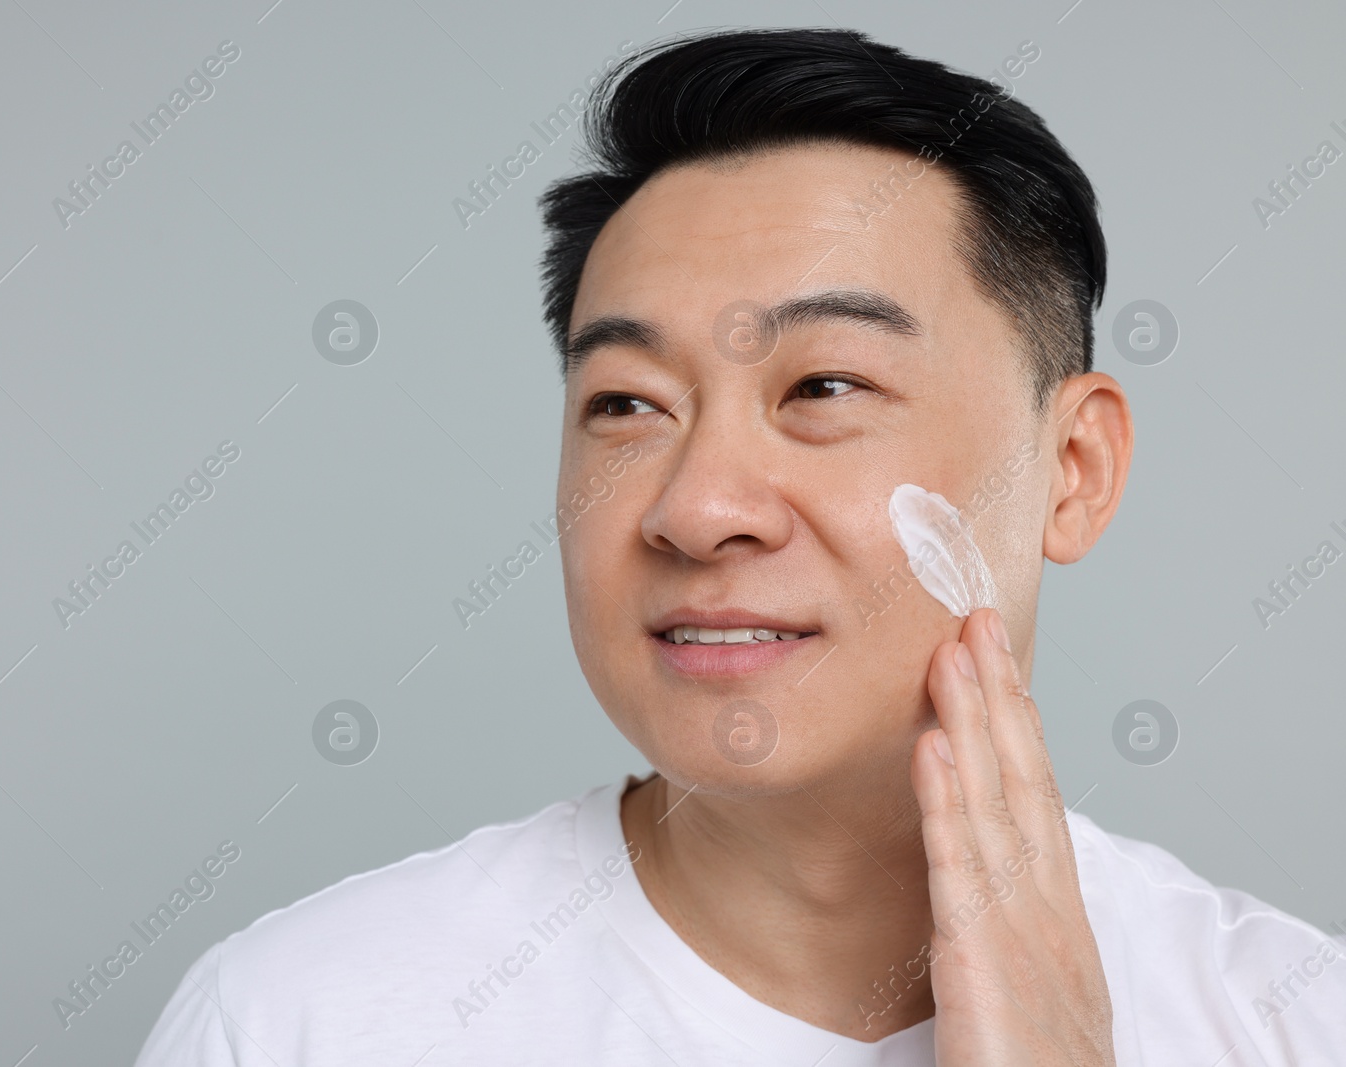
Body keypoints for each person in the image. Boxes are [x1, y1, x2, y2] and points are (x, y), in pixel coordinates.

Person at [135, 27, 1346, 1065]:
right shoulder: (307, 1021)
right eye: (626, 403)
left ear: (1071, 471)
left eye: (821, 383)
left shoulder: (1289, 1018)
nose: (697, 506)